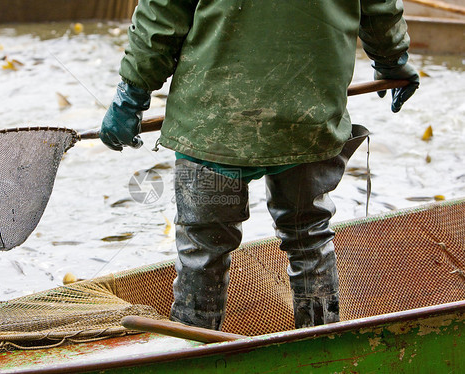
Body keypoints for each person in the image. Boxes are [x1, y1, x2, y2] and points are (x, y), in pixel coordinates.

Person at [99, 0, 419, 330]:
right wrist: (393, 61)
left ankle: (192, 351)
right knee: (309, 237)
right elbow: (379, 7)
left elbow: (162, 13)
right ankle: (321, 344)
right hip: (309, 115)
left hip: (213, 120)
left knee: (202, 253)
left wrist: (131, 94)